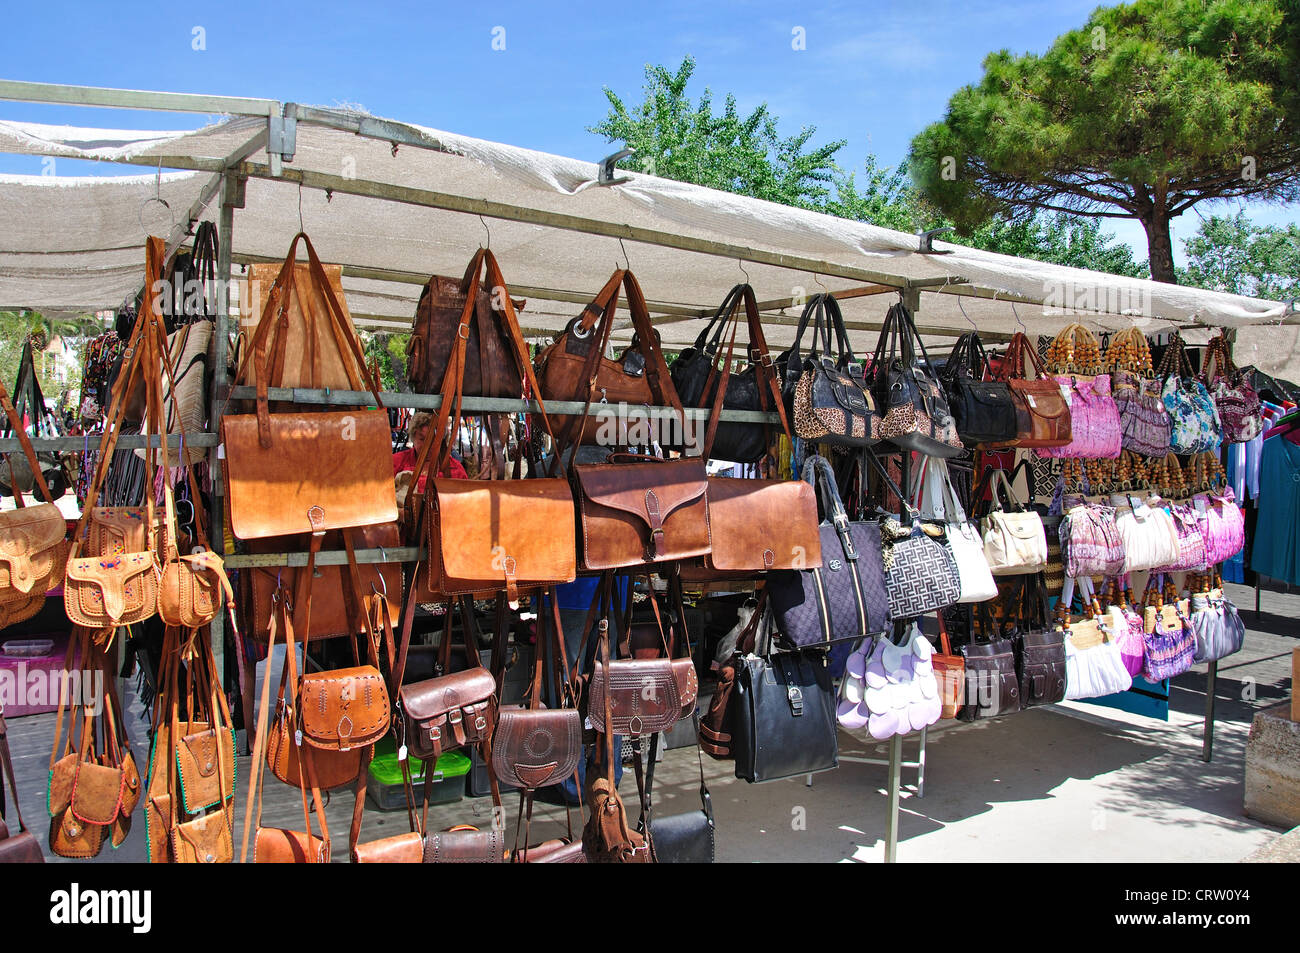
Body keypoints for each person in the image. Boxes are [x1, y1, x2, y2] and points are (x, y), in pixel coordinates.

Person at [393, 411, 466, 502]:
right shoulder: (396, 462)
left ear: (441, 440)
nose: (428, 445)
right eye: (422, 439)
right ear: (413, 437)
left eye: (433, 439)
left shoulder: (455, 469)